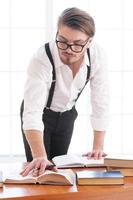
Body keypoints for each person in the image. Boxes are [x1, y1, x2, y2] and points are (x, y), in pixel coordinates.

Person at [20, 7, 109, 177]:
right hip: (41, 115)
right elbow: (32, 112)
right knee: (41, 170)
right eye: (62, 41)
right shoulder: (42, 59)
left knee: (58, 170)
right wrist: (39, 155)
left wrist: (98, 147)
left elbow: (101, 101)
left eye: (77, 44)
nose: (68, 49)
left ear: (89, 42)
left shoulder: (97, 56)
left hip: (68, 115)